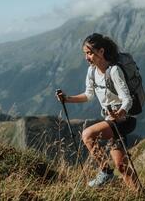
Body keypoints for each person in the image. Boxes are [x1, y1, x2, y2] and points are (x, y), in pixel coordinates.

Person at [55, 33, 139, 190]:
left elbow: (127, 99)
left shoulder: (114, 71)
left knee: (88, 135)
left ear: (101, 51)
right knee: (122, 167)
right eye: (85, 53)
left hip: (124, 119)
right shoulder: (91, 72)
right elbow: (88, 95)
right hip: (111, 119)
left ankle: (105, 172)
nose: (87, 57)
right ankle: (140, 194)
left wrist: (119, 114)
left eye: (90, 53)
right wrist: (67, 98)